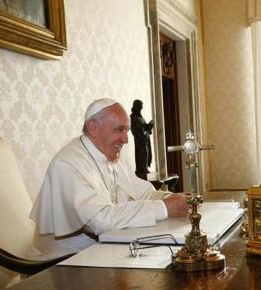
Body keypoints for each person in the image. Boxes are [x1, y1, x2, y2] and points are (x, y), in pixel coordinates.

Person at [30, 98, 189, 253]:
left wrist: (174, 199)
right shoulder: (66, 164)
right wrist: (164, 208)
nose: (126, 139)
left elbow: (144, 193)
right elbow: (99, 220)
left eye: (126, 131)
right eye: (119, 130)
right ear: (93, 127)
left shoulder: (112, 154)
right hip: (66, 261)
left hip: (108, 248)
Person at [130, 99, 154, 180]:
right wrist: (146, 130)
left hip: (145, 142)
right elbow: (136, 131)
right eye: (140, 107)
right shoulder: (133, 117)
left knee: (146, 156)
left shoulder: (140, 117)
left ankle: (144, 168)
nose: (141, 108)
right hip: (140, 143)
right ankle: (142, 170)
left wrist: (148, 126)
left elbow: (144, 128)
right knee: (142, 157)